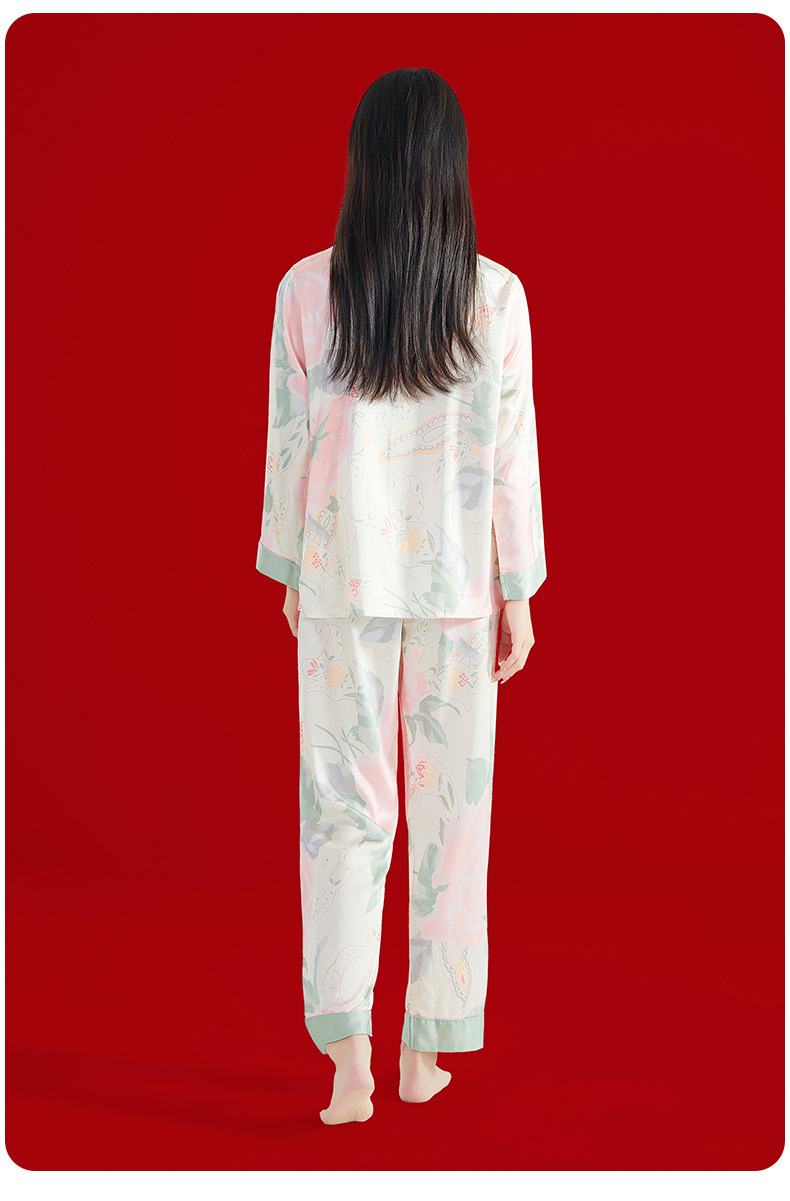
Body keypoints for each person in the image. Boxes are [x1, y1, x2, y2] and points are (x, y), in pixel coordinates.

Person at [255, 67, 547, 1125]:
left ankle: (351, 1065)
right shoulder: (496, 296)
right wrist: (518, 589)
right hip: (459, 588)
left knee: (342, 815)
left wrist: (292, 568)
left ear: (363, 163)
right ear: (450, 167)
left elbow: (290, 445)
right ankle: (423, 1051)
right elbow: (510, 460)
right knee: (452, 821)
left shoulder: (305, 289)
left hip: (343, 579)